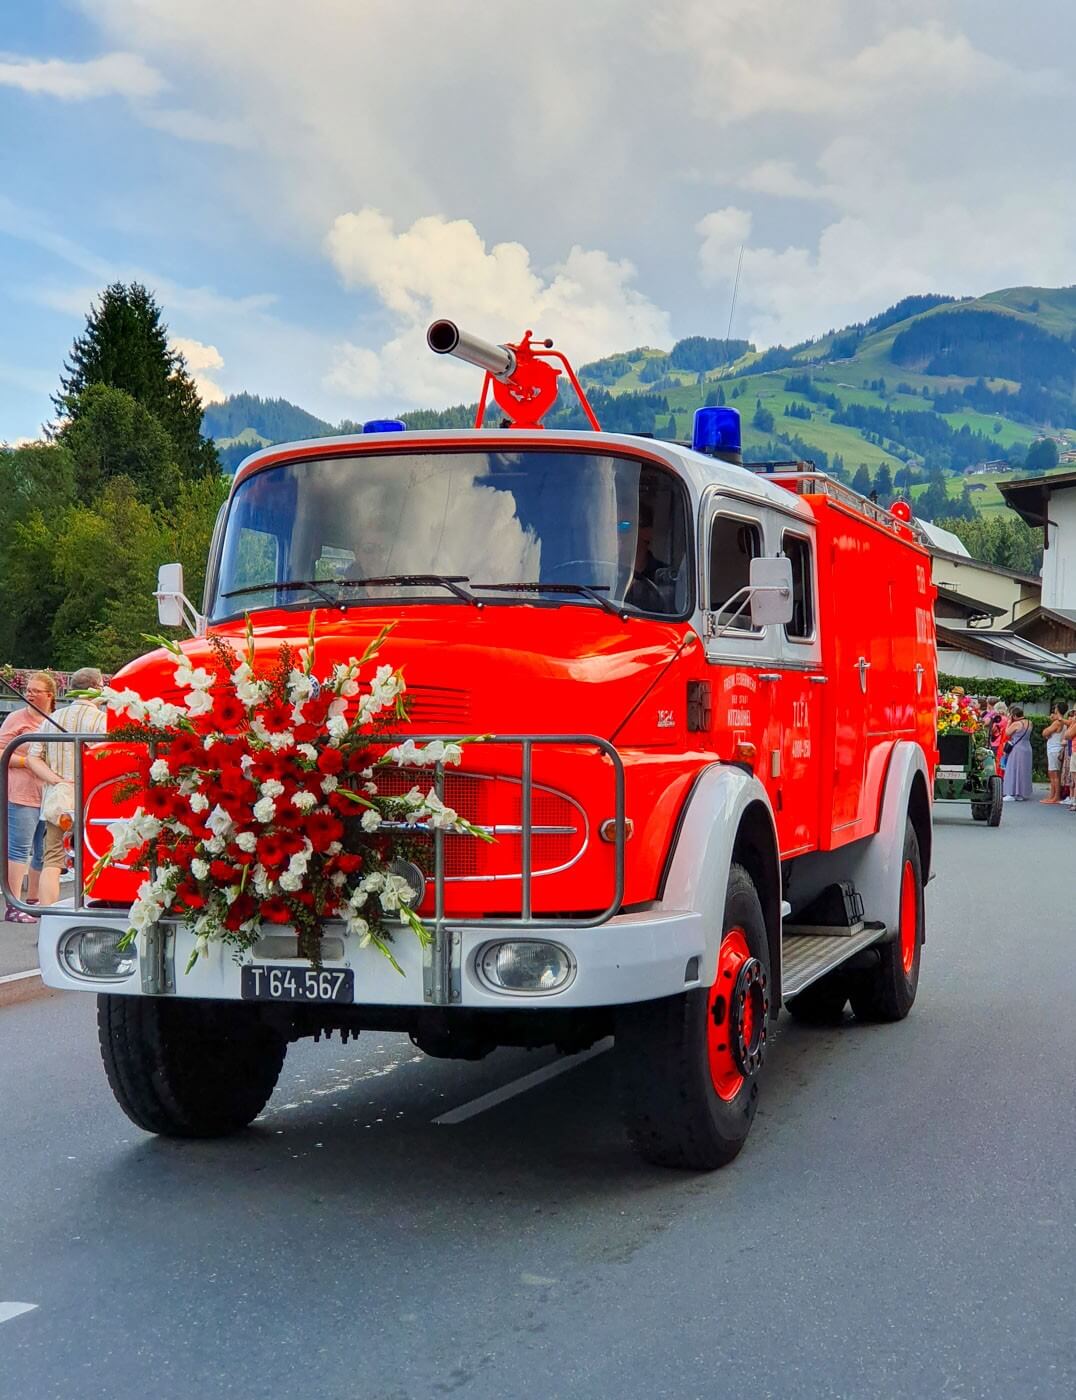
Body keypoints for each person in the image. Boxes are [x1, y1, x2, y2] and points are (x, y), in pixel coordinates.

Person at [26, 667, 106, 907]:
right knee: (93, 857)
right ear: (96, 688)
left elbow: (32, 757)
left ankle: (47, 916)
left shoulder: (53, 719)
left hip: (57, 799)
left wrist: (55, 779)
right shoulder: (102, 720)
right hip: (92, 799)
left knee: (53, 859)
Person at [0, 671, 57, 921]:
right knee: (19, 848)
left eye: (36, 690)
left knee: (43, 850)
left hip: (49, 794)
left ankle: (35, 900)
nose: (30, 694)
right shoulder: (16, 719)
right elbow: (2, 752)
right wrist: (27, 762)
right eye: (28, 689)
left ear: (49, 695)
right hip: (22, 794)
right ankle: (14, 905)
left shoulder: (55, 719)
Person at [1001, 705, 1033, 802]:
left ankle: (1011, 792)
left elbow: (1007, 733)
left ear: (1014, 715)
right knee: (1024, 771)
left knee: (1013, 769)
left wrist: (1009, 723)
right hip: (1027, 747)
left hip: (1017, 748)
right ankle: (1022, 793)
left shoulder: (1017, 724)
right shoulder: (1029, 722)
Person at [1041, 704, 1065, 804]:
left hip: (1055, 749)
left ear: (1058, 709)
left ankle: (1056, 796)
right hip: (1053, 748)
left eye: (1055, 707)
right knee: (1052, 773)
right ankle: (1052, 795)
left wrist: (1047, 730)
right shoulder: (1060, 721)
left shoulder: (1058, 722)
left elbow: (1045, 732)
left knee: (1055, 774)